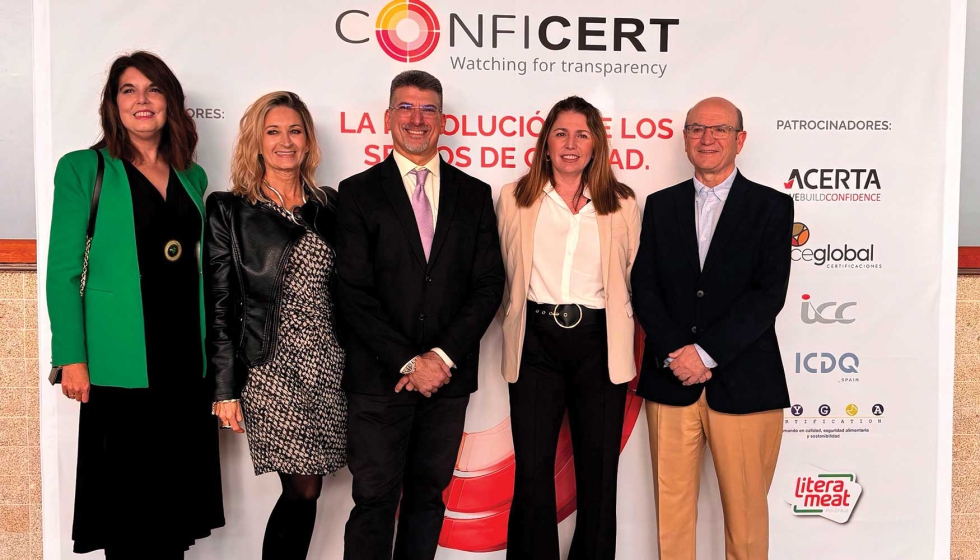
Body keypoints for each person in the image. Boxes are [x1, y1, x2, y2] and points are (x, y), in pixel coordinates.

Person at [46, 51, 224, 558]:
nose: (142, 100)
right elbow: (63, 273)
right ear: (113, 103)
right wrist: (71, 357)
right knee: (127, 514)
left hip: (185, 363)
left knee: (174, 513)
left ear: (171, 102)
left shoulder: (192, 176)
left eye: (154, 89)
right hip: (120, 363)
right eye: (129, 90)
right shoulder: (84, 168)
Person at [336, 70, 504, 560]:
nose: (417, 118)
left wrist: (441, 358)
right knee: (374, 501)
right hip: (379, 381)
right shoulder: (357, 192)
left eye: (428, 109)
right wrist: (411, 361)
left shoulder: (474, 194)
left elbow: (488, 285)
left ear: (443, 120)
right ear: (388, 117)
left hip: (447, 382)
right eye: (406, 107)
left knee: (428, 500)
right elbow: (353, 292)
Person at [631, 97, 794, 560]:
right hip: (670, 381)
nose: (707, 138)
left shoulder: (771, 206)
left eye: (720, 129)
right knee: (672, 518)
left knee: (746, 521)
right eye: (697, 129)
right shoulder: (660, 205)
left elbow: (768, 295)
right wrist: (676, 351)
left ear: (740, 140)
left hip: (744, 383)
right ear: (685, 139)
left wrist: (703, 355)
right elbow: (644, 286)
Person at [495, 96, 639, 560]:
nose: (571, 144)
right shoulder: (514, 198)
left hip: (599, 344)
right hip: (535, 342)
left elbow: (633, 278)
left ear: (596, 144)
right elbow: (500, 275)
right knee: (533, 471)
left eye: (581, 134)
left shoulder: (622, 203)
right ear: (546, 143)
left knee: (599, 473)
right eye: (561, 133)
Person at [205, 91, 346, 560]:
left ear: (308, 140)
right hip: (269, 367)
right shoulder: (229, 209)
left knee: (312, 490)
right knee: (303, 488)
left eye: (294, 131)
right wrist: (224, 388)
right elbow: (220, 303)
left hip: (329, 364)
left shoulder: (329, 206)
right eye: (273, 131)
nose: (285, 141)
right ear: (256, 142)